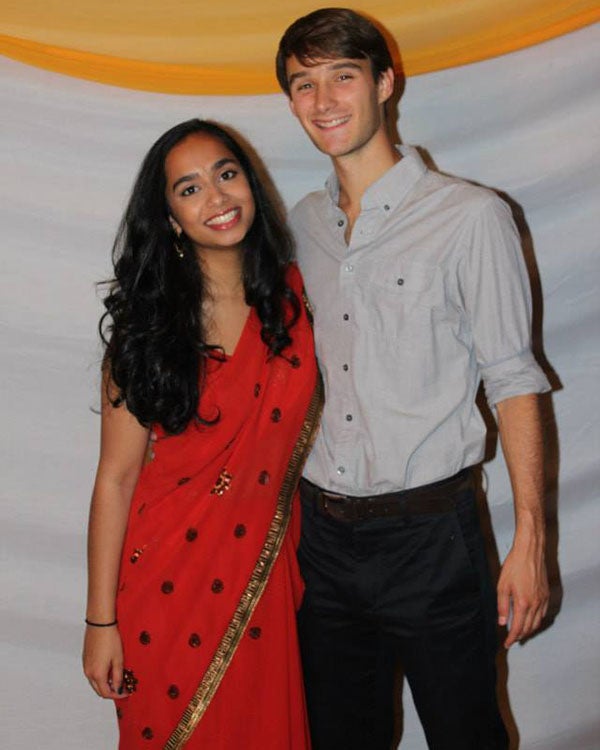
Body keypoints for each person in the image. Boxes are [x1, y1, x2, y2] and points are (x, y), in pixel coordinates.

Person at [276, 9, 551, 750]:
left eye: (343, 76)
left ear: (385, 82)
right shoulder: (298, 227)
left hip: (433, 539)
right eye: (304, 84)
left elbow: (513, 378)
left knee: (467, 737)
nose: (324, 100)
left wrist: (530, 540)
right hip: (321, 543)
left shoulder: (470, 218)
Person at [82, 118, 321, 749]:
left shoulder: (299, 303)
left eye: (225, 173)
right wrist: (100, 620)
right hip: (163, 583)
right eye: (188, 190)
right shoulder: (147, 330)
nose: (215, 198)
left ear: (250, 182)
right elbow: (116, 477)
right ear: (168, 219)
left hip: (263, 579)